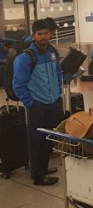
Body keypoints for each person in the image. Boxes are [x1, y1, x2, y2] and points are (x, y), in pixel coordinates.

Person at [12, 19, 63, 186]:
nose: (43, 37)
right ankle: (37, 175)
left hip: (53, 101)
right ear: (33, 36)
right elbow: (18, 84)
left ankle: (43, 167)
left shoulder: (53, 51)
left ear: (50, 34)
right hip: (37, 104)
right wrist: (30, 102)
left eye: (46, 33)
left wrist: (58, 94)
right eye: (39, 34)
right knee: (36, 140)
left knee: (49, 137)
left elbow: (58, 74)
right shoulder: (26, 57)